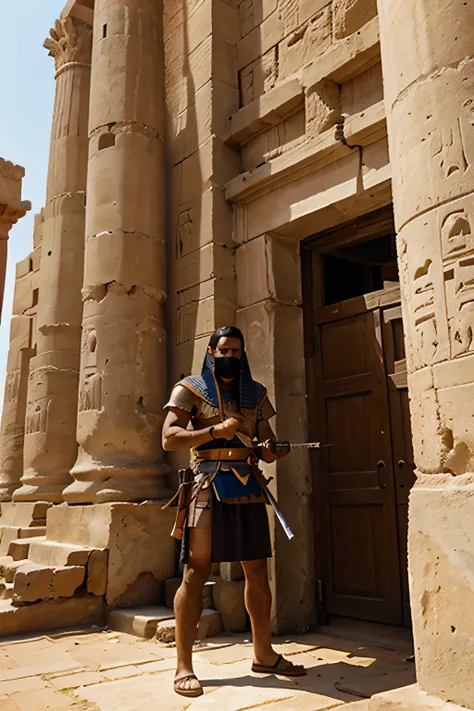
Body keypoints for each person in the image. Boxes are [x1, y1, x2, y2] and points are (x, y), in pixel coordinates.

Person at [162, 325, 306, 698]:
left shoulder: (254, 394)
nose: (230, 356)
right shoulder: (190, 389)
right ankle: (184, 666)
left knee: (258, 571)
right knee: (196, 572)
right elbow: (169, 438)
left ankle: (264, 654)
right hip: (207, 486)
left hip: (247, 484)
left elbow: (263, 442)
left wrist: (274, 448)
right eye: (224, 350)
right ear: (211, 353)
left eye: (237, 351)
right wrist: (214, 432)